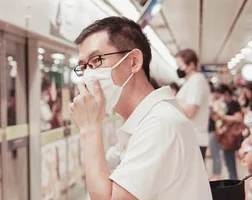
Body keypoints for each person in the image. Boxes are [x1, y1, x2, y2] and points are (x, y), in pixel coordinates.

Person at [70, 16, 211, 199]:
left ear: (134, 61)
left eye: (96, 60)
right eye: (83, 67)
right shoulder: (148, 119)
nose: (88, 75)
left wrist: (89, 129)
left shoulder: (159, 124)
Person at [174, 49, 212, 158]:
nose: (178, 69)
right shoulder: (190, 81)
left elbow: (191, 112)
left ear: (191, 65)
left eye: (180, 65)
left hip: (195, 139)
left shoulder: (197, 81)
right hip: (190, 138)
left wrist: (173, 99)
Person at [213, 84, 242, 180]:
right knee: (229, 161)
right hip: (228, 136)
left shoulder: (233, 104)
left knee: (230, 161)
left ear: (225, 93)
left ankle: (234, 181)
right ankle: (233, 179)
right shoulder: (228, 104)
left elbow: (238, 118)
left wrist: (223, 117)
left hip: (232, 136)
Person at [209, 83, 225, 181]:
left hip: (216, 130)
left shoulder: (217, 103)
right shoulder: (216, 103)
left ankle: (217, 174)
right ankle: (215, 173)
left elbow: (216, 117)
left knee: (216, 153)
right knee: (215, 153)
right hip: (215, 130)